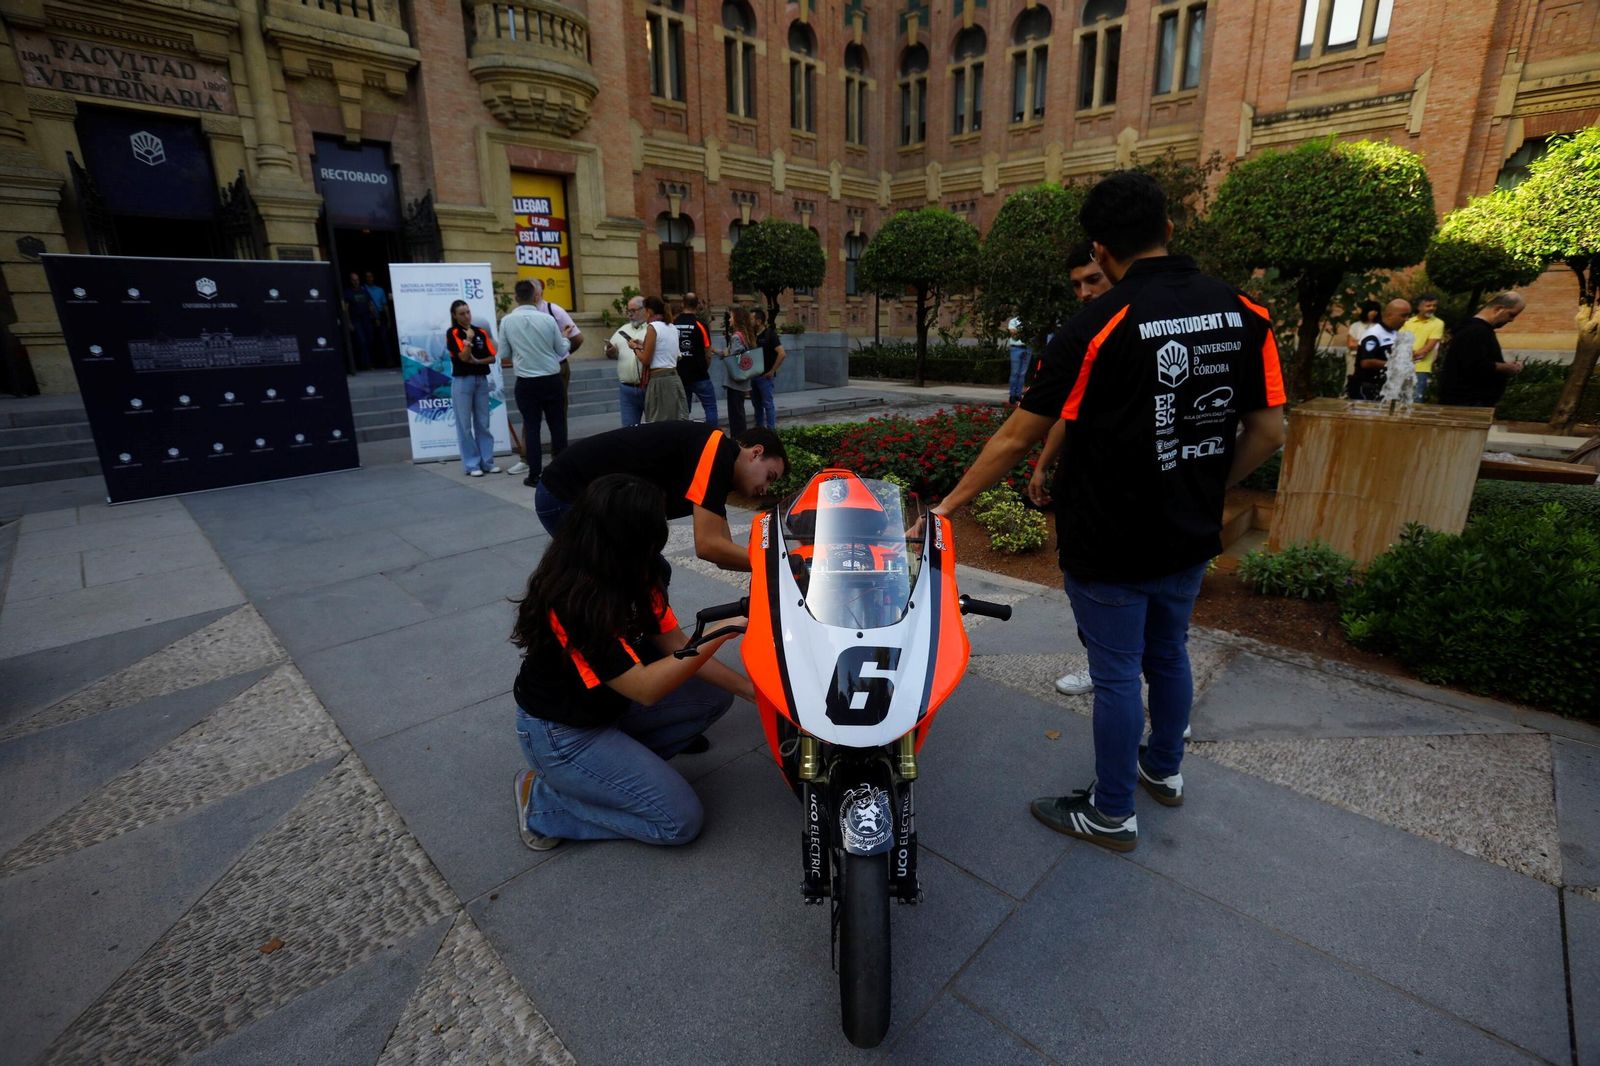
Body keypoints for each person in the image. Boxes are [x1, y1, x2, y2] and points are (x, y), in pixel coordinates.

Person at [929, 171, 1286, 852]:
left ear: (1101, 247)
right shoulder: (1245, 311)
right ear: (1170, 229)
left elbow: (1015, 436)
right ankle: (1164, 769)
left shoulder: (1095, 324)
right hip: (1188, 531)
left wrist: (947, 506)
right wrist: (1208, 485)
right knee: (1169, 651)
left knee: (1118, 672)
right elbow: (1269, 431)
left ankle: (1112, 810)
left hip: (1109, 536)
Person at [511, 474, 756, 850]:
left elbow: (675, 644)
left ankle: (612, 777)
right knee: (679, 822)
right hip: (563, 733)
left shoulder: (642, 571)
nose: (664, 529)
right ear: (627, 537)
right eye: (655, 524)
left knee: (714, 696)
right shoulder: (575, 601)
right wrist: (721, 631)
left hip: (609, 707)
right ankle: (544, 804)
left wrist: (755, 694)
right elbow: (644, 688)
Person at [1027, 240, 1114, 698]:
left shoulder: (1138, 329)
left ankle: (1162, 704)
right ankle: (1103, 666)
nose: (1083, 292)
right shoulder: (1081, 335)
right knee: (1088, 598)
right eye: (1076, 284)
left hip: (1135, 500)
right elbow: (1066, 412)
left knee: (1161, 628)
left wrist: (952, 503)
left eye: (1092, 279)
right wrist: (1042, 465)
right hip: (1088, 499)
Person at [534, 423, 788, 571]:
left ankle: (642, 647)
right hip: (565, 494)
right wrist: (779, 567)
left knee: (650, 573)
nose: (766, 489)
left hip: (594, 502)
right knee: (631, 576)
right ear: (756, 452)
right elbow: (708, 545)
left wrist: (775, 569)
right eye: (770, 476)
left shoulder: (719, 466)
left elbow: (723, 552)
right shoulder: (716, 450)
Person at [500, 279, 570, 487]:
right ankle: (562, 471)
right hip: (550, 379)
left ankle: (534, 474)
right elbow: (560, 349)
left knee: (531, 428)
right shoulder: (547, 320)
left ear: (516, 297)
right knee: (557, 425)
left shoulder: (507, 321)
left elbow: (503, 354)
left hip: (526, 382)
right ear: (536, 296)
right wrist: (565, 337)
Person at [1438, 291, 1526, 407]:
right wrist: (1508, 367)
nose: (1511, 320)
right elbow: (1475, 365)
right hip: (1467, 403)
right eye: (1511, 314)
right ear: (1498, 309)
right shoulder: (1475, 331)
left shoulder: (1478, 329)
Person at [445, 299, 501, 477]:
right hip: (463, 380)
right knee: (464, 424)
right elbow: (462, 357)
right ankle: (472, 464)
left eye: (468, 312)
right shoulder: (452, 333)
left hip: (481, 379)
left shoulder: (481, 332)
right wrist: (468, 340)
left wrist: (477, 361)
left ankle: (487, 461)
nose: (466, 316)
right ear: (454, 315)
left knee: (483, 423)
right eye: (462, 313)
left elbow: (492, 357)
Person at [527, 277, 583, 409]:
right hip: (532, 369)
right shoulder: (521, 314)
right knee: (531, 412)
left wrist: (561, 354)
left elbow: (578, 338)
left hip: (557, 368)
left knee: (558, 410)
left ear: (538, 294)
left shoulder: (554, 310)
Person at [1347, 298, 1410, 400]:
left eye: (1408, 315)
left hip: (1385, 388)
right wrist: (1394, 364)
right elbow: (1366, 362)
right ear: (1389, 315)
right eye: (1403, 315)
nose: (1407, 319)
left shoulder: (1394, 333)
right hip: (1367, 388)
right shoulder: (1374, 334)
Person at [641, 295, 689, 422]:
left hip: (659, 380)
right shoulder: (672, 327)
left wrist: (635, 348)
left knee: (657, 422)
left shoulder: (653, 327)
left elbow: (646, 359)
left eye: (644, 311)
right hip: (674, 378)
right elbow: (673, 354)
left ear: (649, 311)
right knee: (676, 420)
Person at [606, 293, 650, 428]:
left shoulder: (653, 329)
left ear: (644, 310)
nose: (629, 314)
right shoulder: (622, 330)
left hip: (650, 388)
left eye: (633, 311)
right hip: (627, 390)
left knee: (655, 429)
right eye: (628, 311)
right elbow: (610, 352)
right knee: (628, 430)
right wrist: (610, 351)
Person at [675, 294, 719, 427]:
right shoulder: (701, 326)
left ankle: (683, 438)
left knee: (683, 411)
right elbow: (708, 352)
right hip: (699, 374)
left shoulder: (674, 324)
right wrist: (705, 367)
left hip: (680, 374)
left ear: (683, 304)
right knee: (710, 407)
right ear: (697, 306)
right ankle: (712, 436)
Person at [721, 306, 760, 436]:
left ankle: (738, 441)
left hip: (735, 382)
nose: (729, 320)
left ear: (737, 319)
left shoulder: (736, 337)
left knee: (735, 415)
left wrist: (726, 354)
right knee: (739, 412)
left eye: (731, 317)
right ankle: (741, 438)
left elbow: (735, 358)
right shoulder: (746, 335)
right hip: (742, 382)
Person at [1402, 293, 1445, 401]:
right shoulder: (1408, 322)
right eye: (1428, 306)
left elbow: (1428, 347)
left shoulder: (1438, 323)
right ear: (1419, 307)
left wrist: (1411, 355)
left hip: (1421, 368)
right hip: (1402, 367)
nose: (1432, 308)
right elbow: (1400, 340)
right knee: (1398, 399)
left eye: (1434, 306)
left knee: (1415, 400)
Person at [750, 308, 786, 428]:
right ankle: (759, 429)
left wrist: (772, 371)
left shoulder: (770, 334)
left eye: (751, 319)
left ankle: (771, 431)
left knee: (768, 405)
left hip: (765, 377)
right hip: (753, 376)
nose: (749, 321)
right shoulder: (751, 335)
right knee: (756, 405)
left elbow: (782, 353)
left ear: (759, 321)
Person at [1344, 301, 1382, 388]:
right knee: (1351, 379)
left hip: (1372, 360)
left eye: (1376, 310)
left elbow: (1379, 345)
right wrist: (1368, 344)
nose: (1374, 312)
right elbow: (1351, 344)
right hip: (1354, 358)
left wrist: (1359, 342)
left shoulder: (1379, 327)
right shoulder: (1355, 326)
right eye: (1371, 310)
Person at [343, 272, 376, 372]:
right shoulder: (348, 292)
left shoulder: (364, 291)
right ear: (350, 281)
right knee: (361, 341)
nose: (356, 282)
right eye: (353, 280)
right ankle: (364, 365)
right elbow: (346, 309)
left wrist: (375, 317)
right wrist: (349, 323)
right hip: (356, 320)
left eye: (357, 279)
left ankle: (370, 363)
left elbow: (370, 304)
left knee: (370, 340)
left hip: (366, 319)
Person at [363, 271, 392, 367]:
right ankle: (372, 363)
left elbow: (385, 305)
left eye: (370, 276)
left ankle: (388, 362)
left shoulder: (380, 290)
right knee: (371, 340)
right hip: (368, 317)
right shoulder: (363, 290)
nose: (369, 278)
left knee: (384, 340)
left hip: (380, 315)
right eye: (367, 277)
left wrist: (388, 319)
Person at [1006, 315, 1030, 407]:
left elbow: (1033, 334)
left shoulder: (1030, 321)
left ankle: (1018, 394)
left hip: (1027, 348)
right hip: (1016, 348)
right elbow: (1013, 333)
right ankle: (1012, 394)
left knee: (1022, 373)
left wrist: (1019, 332)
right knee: (1015, 373)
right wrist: (1025, 332)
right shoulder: (1013, 321)